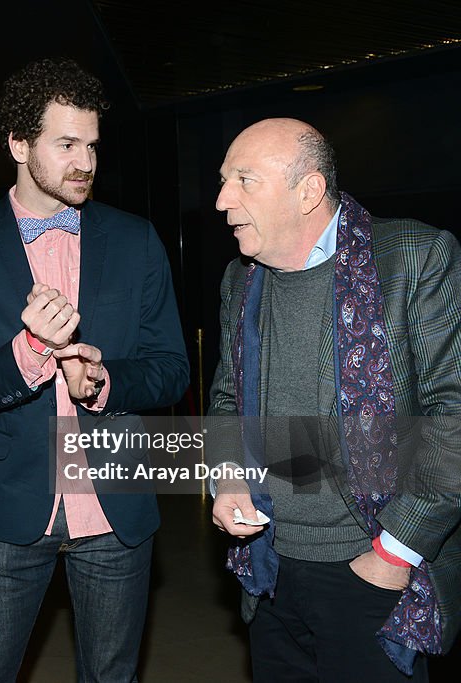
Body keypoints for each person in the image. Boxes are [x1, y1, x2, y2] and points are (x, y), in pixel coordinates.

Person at [0, 57, 189, 682]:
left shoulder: (136, 241)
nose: (86, 162)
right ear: (19, 145)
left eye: (93, 145)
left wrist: (107, 382)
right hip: (11, 510)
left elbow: (173, 369)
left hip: (115, 511)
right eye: (67, 144)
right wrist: (31, 349)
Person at [207, 117, 461, 681]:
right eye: (224, 180)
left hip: (371, 567)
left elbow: (452, 417)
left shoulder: (414, 258)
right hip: (269, 568)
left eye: (244, 180)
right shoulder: (239, 281)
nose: (223, 200)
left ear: (309, 191)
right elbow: (227, 398)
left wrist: (394, 555)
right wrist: (226, 477)